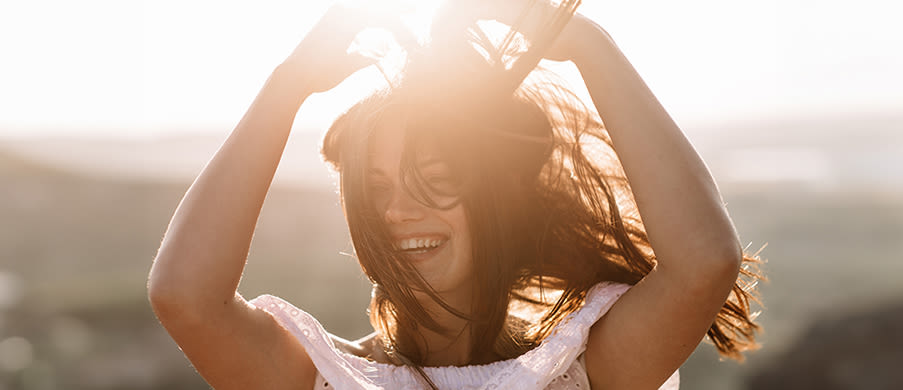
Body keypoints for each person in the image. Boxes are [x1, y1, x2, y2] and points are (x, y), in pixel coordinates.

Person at [147, 0, 764, 389]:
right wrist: (286, 87)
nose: (397, 212)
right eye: (376, 189)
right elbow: (184, 295)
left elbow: (703, 261)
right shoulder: (320, 377)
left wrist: (581, 41)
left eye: (435, 182)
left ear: (501, 199)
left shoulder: (582, 369)